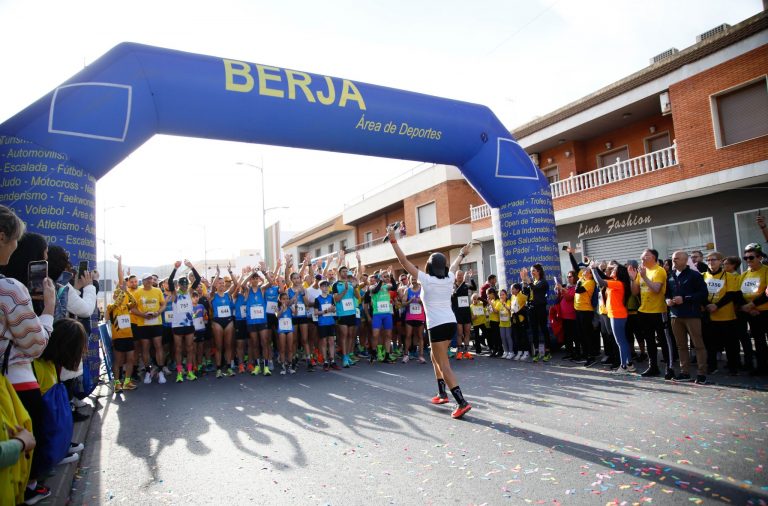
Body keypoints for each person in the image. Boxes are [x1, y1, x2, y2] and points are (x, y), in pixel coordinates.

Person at [0, 205, 56, 504]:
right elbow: (35, 346)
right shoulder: (9, 290)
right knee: (20, 458)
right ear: (1, 237)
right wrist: (47, 309)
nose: (15, 247)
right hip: (14, 386)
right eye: (14, 240)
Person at [386, 226, 471, 419]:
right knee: (434, 356)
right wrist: (461, 254)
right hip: (450, 322)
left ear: (430, 266)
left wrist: (393, 241)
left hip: (437, 325)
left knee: (443, 363)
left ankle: (461, 402)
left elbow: (403, 261)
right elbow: (455, 265)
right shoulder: (448, 278)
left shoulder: (426, 279)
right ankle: (441, 393)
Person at [632, 249, 676, 380]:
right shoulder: (642, 271)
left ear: (654, 257)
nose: (642, 258)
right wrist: (633, 278)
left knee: (663, 340)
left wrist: (644, 276)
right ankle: (653, 367)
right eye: (642, 256)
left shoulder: (659, 270)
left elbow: (656, 289)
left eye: (646, 256)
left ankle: (670, 367)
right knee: (649, 340)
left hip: (658, 311)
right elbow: (634, 292)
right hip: (644, 310)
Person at [666, 251, 709, 384]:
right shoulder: (671, 276)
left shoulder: (694, 275)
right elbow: (667, 293)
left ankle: (702, 373)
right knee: (681, 345)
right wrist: (667, 300)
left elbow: (703, 293)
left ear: (685, 260)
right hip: (675, 315)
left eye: (677, 259)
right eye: (673, 259)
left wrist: (685, 298)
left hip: (691, 315)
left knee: (698, 344)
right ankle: (684, 372)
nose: (674, 261)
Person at [593, 261, 634, 373]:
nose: (611, 271)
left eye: (614, 270)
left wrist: (593, 269)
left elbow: (600, 281)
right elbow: (603, 277)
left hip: (617, 315)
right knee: (623, 341)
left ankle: (623, 366)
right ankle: (629, 364)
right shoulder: (616, 282)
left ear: (618, 273)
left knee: (620, 342)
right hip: (617, 314)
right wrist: (596, 268)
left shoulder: (618, 284)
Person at [703, 251, 740, 375]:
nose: (710, 262)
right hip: (710, 316)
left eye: (713, 260)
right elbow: (700, 293)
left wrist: (716, 305)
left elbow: (731, 294)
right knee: (710, 345)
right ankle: (712, 366)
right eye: (708, 260)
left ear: (720, 261)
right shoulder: (703, 276)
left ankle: (733, 367)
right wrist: (707, 305)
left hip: (726, 316)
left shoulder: (730, 276)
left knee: (730, 345)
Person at [106, 255, 138, 392]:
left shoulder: (126, 307)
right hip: (118, 337)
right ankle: (117, 383)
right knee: (118, 361)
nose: (119, 295)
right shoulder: (111, 307)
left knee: (130, 359)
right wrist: (121, 293)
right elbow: (118, 298)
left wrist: (127, 293)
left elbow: (135, 303)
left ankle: (127, 381)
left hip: (128, 335)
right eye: (117, 294)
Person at [168, 260, 202, 382]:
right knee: (178, 349)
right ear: (178, 285)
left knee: (190, 348)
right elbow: (169, 281)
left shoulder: (189, 292)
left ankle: (189, 371)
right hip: (177, 325)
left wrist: (191, 267)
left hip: (189, 324)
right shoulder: (174, 294)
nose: (183, 285)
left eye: (185, 283)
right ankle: (179, 373)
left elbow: (198, 279)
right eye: (181, 284)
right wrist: (175, 268)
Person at [130, 272, 168, 384]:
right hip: (143, 324)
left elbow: (163, 304)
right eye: (147, 279)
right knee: (145, 348)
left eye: (151, 279)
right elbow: (132, 309)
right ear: (143, 281)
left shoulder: (157, 291)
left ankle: (160, 371)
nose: (149, 281)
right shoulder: (137, 292)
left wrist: (157, 312)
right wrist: (143, 315)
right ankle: (147, 371)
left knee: (158, 346)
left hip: (156, 323)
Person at [738, 243, 768, 376]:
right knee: (759, 341)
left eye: (751, 258)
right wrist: (749, 309)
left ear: (760, 257)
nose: (748, 261)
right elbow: (739, 294)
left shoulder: (766, 270)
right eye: (746, 258)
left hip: (765, 311)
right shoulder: (744, 275)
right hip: (752, 314)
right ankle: (762, 367)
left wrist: (752, 305)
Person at [521, 264, 551, 362]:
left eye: (533, 270)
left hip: (540, 308)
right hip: (532, 308)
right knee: (534, 331)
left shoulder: (543, 282)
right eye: (530, 271)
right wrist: (524, 282)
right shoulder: (533, 282)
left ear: (539, 271)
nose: (531, 272)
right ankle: (537, 352)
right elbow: (525, 293)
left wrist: (529, 281)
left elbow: (536, 289)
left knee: (543, 329)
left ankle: (547, 352)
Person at [451, 269, 476, 360]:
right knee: (459, 333)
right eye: (458, 275)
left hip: (466, 312)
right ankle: (459, 352)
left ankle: (466, 352)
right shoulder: (453, 286)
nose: (460, 277)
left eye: (461, 275)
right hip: (457, 312)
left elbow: (474, 288)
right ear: (456, 277)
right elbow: (454, 293)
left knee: (467, 332)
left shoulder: (466, 285)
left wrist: (471, 278)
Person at [402, 275, 426, 364]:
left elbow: (428, 301)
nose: (414, 281)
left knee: (420, 336)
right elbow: (403, 303)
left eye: (415, 279)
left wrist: (422, 301)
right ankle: (406, 355)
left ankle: (421, 356)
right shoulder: (407, 290)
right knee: (408, 335)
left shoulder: (422, 290)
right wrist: (409, 301)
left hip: (420, 317)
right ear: (410, 280)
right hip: (410, 316)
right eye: (412, 280)